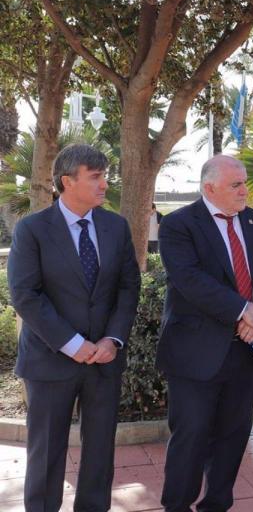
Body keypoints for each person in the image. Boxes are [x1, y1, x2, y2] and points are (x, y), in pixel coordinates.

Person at [9, 144, 141, 512]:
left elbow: (129, 286)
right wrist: (72, 344)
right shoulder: (32, 229)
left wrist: (112, 339)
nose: (104, 184)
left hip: (104, 359)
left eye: (105, 176)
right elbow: (26, 295)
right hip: (50, 362)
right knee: (47, 455)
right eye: (96, 177)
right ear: (67, 181)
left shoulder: (116, 226)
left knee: (100, 454)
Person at [157, 155, 253, 511]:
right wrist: (245, 311)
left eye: (245, 182)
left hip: (244, 350)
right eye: (236, 184)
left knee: (233, 437)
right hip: (195, 353)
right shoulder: (179, 224)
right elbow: (190, 280)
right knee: (191, 438)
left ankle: (216, 504)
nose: (246, 190)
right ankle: (177, 506)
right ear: (209, 187)